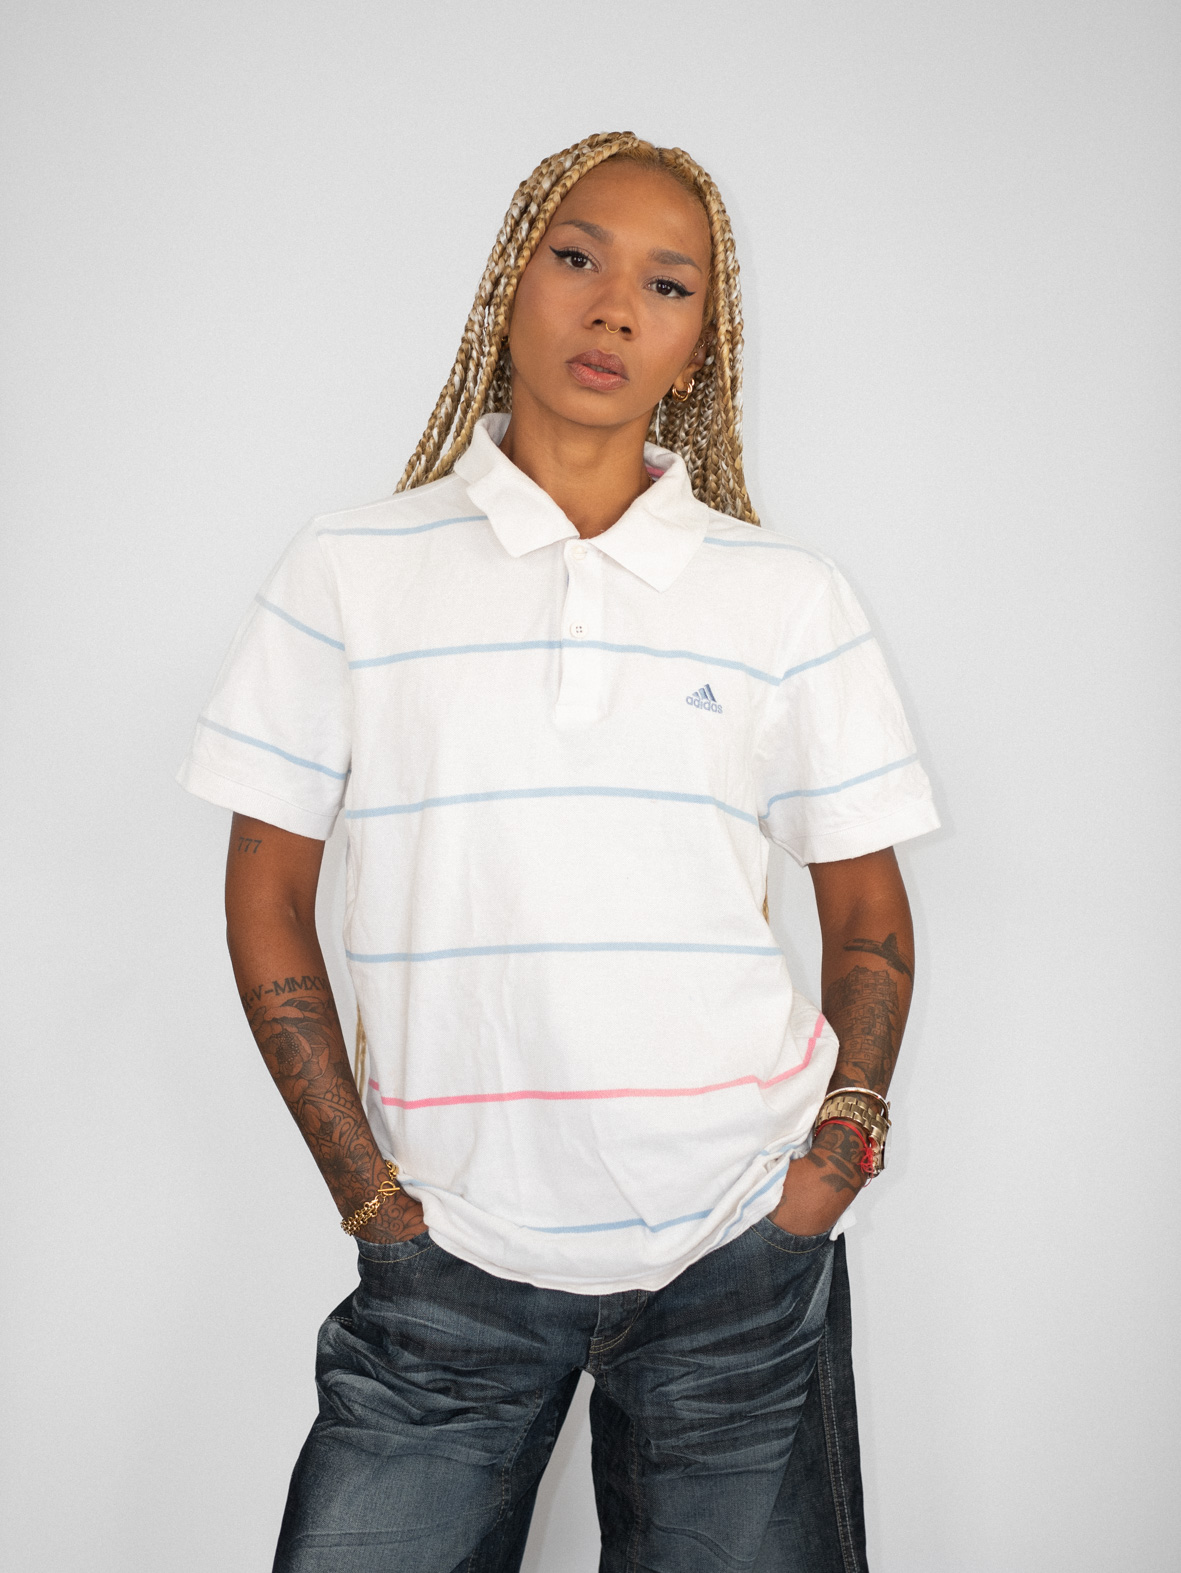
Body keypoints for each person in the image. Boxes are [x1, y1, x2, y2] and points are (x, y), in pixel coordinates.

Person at [179, 131, 939, 1572]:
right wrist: (369, 1195)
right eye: (577, 256)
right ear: (509, 281)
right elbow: (267, 891)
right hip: (446, 1261)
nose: (612, 308)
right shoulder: (349, 568)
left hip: (738, 1251)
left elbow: (867, 910)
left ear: (700, 340)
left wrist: (835, 1156)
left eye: (666, 283)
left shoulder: (784, 595)